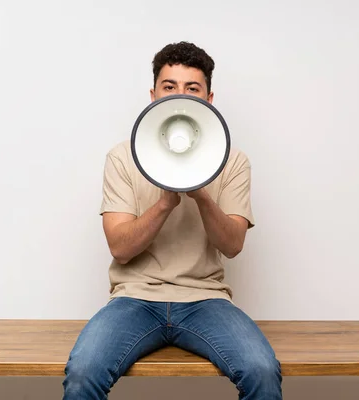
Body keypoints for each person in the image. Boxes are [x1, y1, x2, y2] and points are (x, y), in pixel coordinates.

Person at [62, 41, 283, 400]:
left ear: (209, 98)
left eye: (192, 88)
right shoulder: (122, 158)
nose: (180, 96)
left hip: (205, 300)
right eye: (169, 87)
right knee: (84, 371)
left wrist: (199, 193)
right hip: (134, 299)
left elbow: (232, 245)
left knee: (261, 370)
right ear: (153, 95)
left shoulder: (234, 161)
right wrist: (165, 202)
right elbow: (119, 248)